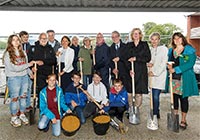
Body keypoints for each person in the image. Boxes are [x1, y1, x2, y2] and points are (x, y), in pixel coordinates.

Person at [167, 32, 199, 130]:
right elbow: (169, 62)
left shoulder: (189, 50)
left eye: (179, 38)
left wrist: (175, 69)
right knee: (174, 98)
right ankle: (175, 118)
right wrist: (169, 67)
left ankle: (183, 120)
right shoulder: (171, 51)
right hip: (174, 78)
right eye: (174, 38)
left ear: (182, 39)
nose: (176, 40)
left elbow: (190, 63)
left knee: (183, 99)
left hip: (184, 78)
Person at [3, 34, 34, 127]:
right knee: (15, 98)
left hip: (24, 77)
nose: (16, 42)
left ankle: (22, 114)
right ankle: (13, 117)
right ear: (10, 42)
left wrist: (29, 72)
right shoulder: (7, 54)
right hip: (14, 78)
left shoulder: (23, 52)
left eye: (17, 40)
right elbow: (14, 68)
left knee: (23, 97)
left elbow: (25, 64)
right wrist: (29, 65)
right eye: (13, 40)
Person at [126, 28, 151, 121]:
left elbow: (147, 58)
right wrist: (129, 69)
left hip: (141, 72)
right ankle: (130, 108)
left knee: (138, 93)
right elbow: (126, 58)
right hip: (131, 72)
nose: (136, 35)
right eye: (134, 33)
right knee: (129, 92)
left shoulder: (144, 45)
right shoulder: (129, 45)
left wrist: (136, 58)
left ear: (140, 35)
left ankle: (136, 108)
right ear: (132, 35)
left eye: (138, 33)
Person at [28, 33, 56, 106]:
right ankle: (40, 105)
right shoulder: (33, 48)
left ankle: (48, 104)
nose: (44, 40)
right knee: (41, 89)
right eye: (42, 38)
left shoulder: (50, 48)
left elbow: (54, 61)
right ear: (39, 39)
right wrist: (32, 68)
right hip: (38, 73)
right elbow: (29, 60)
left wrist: (43, 62)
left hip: (48, 73)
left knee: (49, 89)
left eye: (45, 38)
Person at [147, 32, 168, 119]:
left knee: (155, 95)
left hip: (159, 76)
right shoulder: (149, 50)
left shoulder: (163, 49)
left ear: (159, 40)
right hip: (151, 77)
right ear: (150, 40)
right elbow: (147, 61)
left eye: (156, 39)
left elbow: (163, 63)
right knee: (152, 96)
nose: (154, 41)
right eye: (152, 39)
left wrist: (155, 73)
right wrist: (148, 64)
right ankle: (156, 110)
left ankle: (155, 114)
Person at [19, 31, 33, 112]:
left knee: (28, 88)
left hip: (28, 69)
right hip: (20, 71)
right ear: (20, 37)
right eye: (24, 37)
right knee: (20, 90)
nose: (26, 39)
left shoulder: (29, 46)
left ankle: (27, 105)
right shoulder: (17, 47)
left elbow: (30, 58)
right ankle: (20, 107)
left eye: (27, 37)